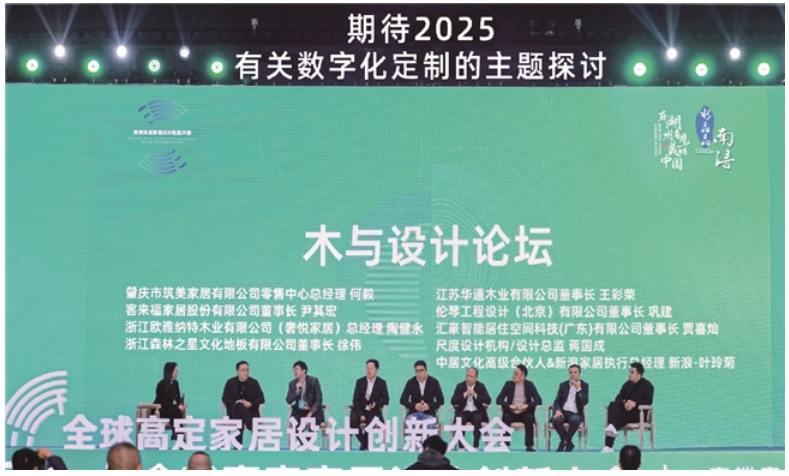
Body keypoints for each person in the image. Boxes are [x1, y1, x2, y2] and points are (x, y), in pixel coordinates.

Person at [602, 362, 654, 453]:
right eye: (629, 372)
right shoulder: (627, 384)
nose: (629, 374)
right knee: (612, 405)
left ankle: (609, 445)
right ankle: (610, 436)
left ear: (639, 374)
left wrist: (635, 404)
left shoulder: (647, 385)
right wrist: (625, 404)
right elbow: (618, 398)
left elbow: (648, 401)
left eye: (632, 372)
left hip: (639, 414)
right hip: (626, 411)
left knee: (615, 420)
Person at [496, 364, 542, 452]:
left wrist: (526, 406)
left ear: (523, 376)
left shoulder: (529, 385)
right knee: (506, 417)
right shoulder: (508, 384)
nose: (513, 375)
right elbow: (499, 400)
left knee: (529, 418)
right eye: (513, 373)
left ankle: (529, 446)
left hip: (524, 412)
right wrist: (510, 406)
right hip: (511, 412)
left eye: (516, 374)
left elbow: (538, 400)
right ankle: (505, 445)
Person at [222, 360, 265, 444]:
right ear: (237, 371)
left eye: (247, 370)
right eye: (243, 370)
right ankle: (252, 426)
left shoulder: (254, 382)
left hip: (251, 412)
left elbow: (261, 399)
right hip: (234, 412)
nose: (246, 372)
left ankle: (238, 445)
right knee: (239, 405)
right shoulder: (230, 383)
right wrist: (236, 402)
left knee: (240, 418)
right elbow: (224, 399)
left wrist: (250, 404)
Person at [350, 358, 390, 451]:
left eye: (371, 368)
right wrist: (361, 414)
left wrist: (376, 403)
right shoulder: (360, 382)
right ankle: (365, 442)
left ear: (377, 370)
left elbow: (386, 400)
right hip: (359, 409)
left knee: (372, 422)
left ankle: (364, 444)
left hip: (373, 411)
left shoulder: (381, 383)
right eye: (367, 368)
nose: (369, 370)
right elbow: (355, 400)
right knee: (352, 421)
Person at [449, 367, 491, 450]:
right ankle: (461, 447)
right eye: (467, 376)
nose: (468, 378)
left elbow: (488, 400)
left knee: (477, 419)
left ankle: (476, 446)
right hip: (463, 412)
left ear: (476, 378)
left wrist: (475, 395)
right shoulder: (460, 386)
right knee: (460, 420)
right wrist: (464, 394)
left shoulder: (481, 386)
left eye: (471, 376)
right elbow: (453, 401)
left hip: (477, 411)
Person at [550, 364, 589, 452]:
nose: (573, 374)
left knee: (575, 420)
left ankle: (563, 443)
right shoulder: (563, 385)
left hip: (575, 413)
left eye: (575, 372)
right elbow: (557, 400)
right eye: (571, 372)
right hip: (563, 412)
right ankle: (569, 444)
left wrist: (578, 388)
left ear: (579, 374)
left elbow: (584, 402)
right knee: (556, 420)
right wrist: (558, 410)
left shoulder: (584, 385)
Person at [400, 360, 444, 429]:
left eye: (421, 370)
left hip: (429, 413)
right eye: (417, 371)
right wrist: (415, 406)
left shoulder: (434, 382)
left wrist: (428, 406)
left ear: (426, 370)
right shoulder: (410, 382)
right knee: (410, 423)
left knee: (430, 424)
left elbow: (441, 400)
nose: (419, 373)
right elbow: (403, 400)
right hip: (414, 413)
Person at [286, 360, 325, 426]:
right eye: (294, 370)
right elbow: (288, 400)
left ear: (303, 370)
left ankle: (310, 432)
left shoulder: (314, 381)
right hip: (300, 411)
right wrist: (297, 391)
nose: (295, 372)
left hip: (313, 411)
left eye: (297, 369)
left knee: (313, 424)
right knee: (294, 423)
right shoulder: (292, 383)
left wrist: (309, 415)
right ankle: (300, 433)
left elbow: (319, 400)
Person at [154, 362, 186, 440]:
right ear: (170, 371)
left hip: (171, 409)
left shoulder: (175, 383)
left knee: (177, 412)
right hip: (161, 409)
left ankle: (177, 435)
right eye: (176, 371)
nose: (177, 373)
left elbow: (177, 398)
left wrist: (181, 404)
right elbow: (163, 402)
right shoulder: (161, 384)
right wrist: (177, 407)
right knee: (176, 412)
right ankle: (179, 436)